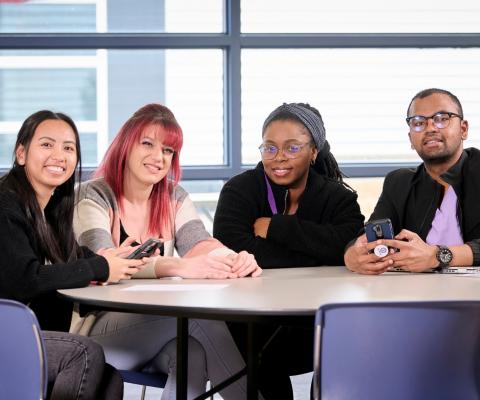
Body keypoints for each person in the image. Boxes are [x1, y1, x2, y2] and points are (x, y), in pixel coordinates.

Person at [72, 103, 263, 400]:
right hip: (98, 332)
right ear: (126, 145)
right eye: (147, 144)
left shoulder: (173, 196)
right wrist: (175, 266)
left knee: (192, 356)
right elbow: (104, 259)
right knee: (200, 318)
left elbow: (199, 244)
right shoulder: (92, 195)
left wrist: (234, 258)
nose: (158, 157)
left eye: (168, 150)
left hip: (155, 327)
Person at [213, 102, 364, 399]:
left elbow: (349, 247)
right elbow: (234, 249)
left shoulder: (337, 197)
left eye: (292, 148)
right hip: (252, 320)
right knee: (255, 355)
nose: (278, 158)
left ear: (313, 152)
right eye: (269, 148)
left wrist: (277, 228)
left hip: (319, 321)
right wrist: (317, 252)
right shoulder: (239, 190)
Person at [0, 110, 145, 399]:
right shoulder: (5, 204)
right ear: (21, 153)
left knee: (109, 378)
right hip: (6, 334)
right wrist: (101, 268)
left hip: (24, 333)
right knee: (83, 353)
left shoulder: (50, 212)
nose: (59, 155)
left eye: (68, 148)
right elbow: (23, 279)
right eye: (46, 144)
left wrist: (114, 259)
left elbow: (77, 257)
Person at [344, 88, 480, 274]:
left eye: (442, 119)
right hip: (415, 292)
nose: (430, 128)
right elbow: (370, 235)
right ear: (410, 138)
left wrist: (437, 256)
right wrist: (352, 255)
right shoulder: (399, 182)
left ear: (463, 129)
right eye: (419, 123)